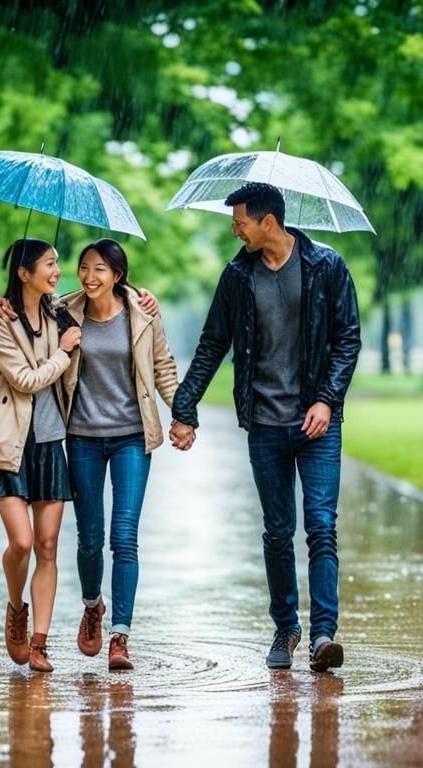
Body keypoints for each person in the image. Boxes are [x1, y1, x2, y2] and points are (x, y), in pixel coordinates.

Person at [169, 181, 361, 673]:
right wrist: (184, 407)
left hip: (318, 423)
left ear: (267, 222)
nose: (234, 229)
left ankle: (323, 635)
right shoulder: (238, 275)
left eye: (240, 221)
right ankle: (286, 627)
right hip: (266, 425)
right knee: (278, 532)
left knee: (321, 527)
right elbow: (213, 343)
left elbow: (347, 339)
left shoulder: (327, 267)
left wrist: (326, 400)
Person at [0, 241, 174, 671]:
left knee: (124, 534)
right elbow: (26, 311)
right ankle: (92, 605)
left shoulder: (143, 312)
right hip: (82, 438)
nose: (88, 277)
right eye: (82, 268)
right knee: (89, 539)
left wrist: (182, 414)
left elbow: (163, 366)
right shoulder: (65, 311)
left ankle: (120, 636)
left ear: (118, 275)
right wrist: (2, 302)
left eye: (100, 270)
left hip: (131, 436)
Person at [0, 238, 81, 673]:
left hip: (50, 442)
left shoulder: (61, 312)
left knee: (48, 546)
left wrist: (138, 295)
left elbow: (105, 292)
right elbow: (22, 379)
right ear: (24, 272)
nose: (58, 271)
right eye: (50, 264)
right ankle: (16, 607)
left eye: (58, 263)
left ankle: (39, 642)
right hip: (9, 443)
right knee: (21, 542)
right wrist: (62, 353)